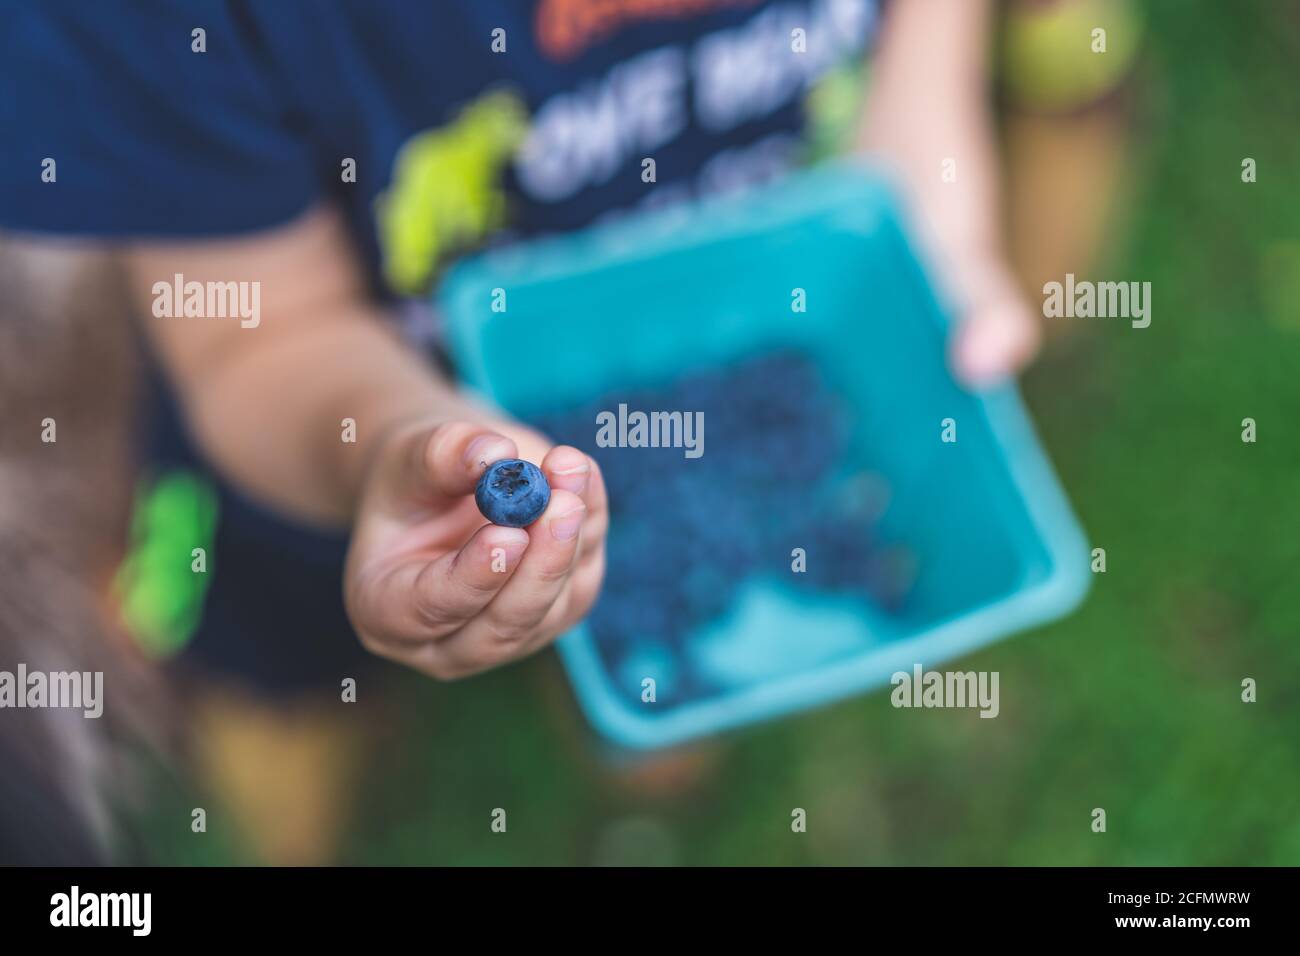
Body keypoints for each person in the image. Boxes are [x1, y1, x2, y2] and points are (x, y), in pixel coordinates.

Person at [1, 0, 1056, 861]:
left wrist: (922, 184)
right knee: (284, 694)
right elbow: (259, 337)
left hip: (706, 390)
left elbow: (924, 57)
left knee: (652, 655)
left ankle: (643, 741)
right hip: (326, 438)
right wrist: (392, 442)